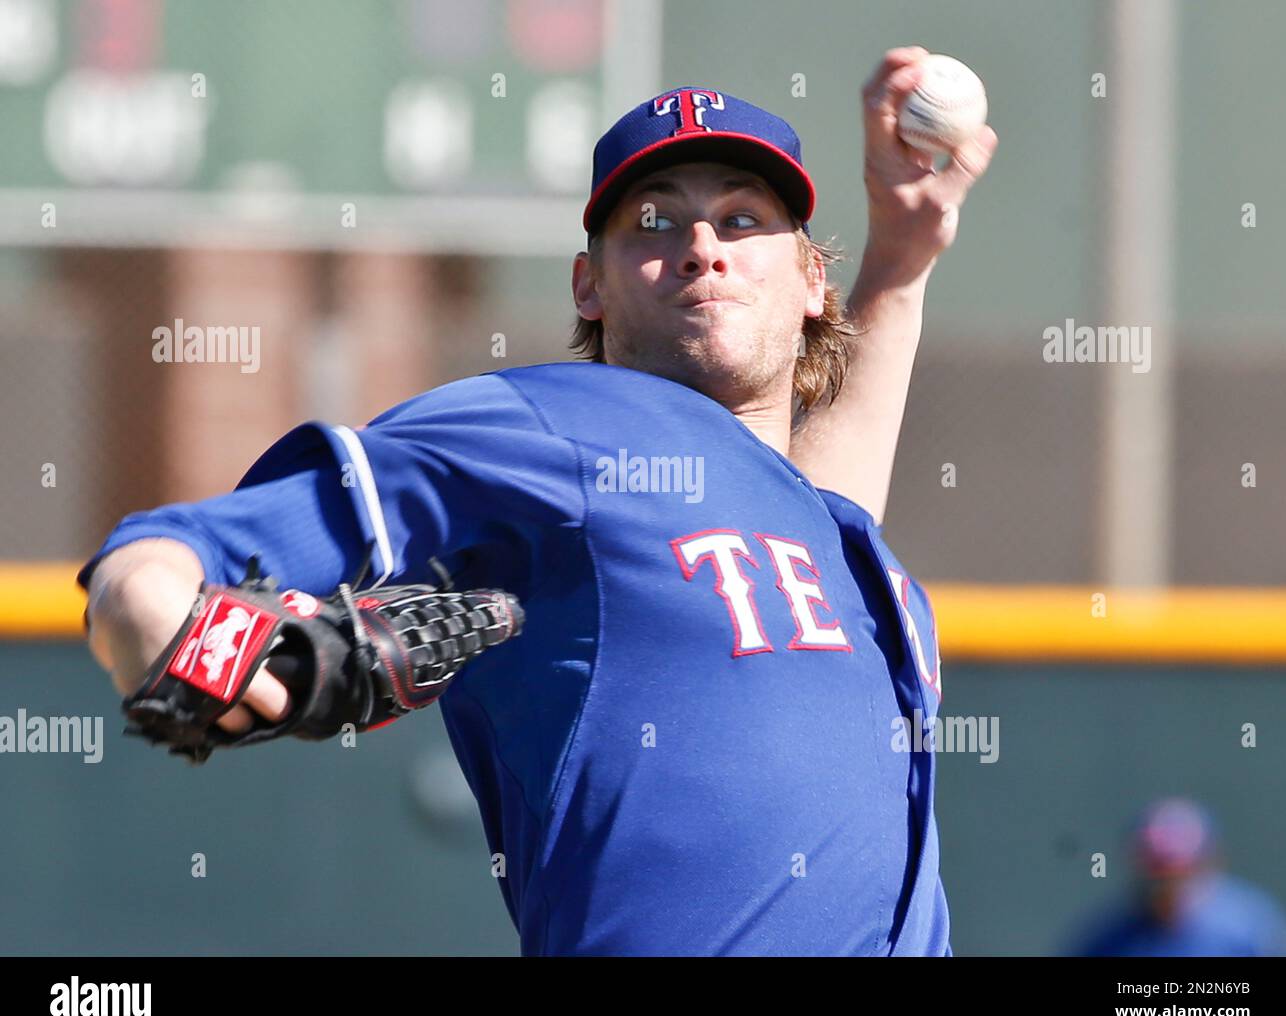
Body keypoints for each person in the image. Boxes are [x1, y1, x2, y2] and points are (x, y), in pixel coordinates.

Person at [81, 48, 997, 956]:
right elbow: (153, 566)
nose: (702, 249)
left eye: (742, 219)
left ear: (810, 283)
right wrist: (203, 646)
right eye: (654, 222)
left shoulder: (836, 540)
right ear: (588, 286)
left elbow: (821, 495)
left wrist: (903, 259)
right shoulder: (550, 427)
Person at [1069, 798, 1286, 957]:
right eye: (1157, 872)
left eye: (1177, 872)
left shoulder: (1250, 929)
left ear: (1209, 862)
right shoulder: (1108, 938)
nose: (1166, 884)